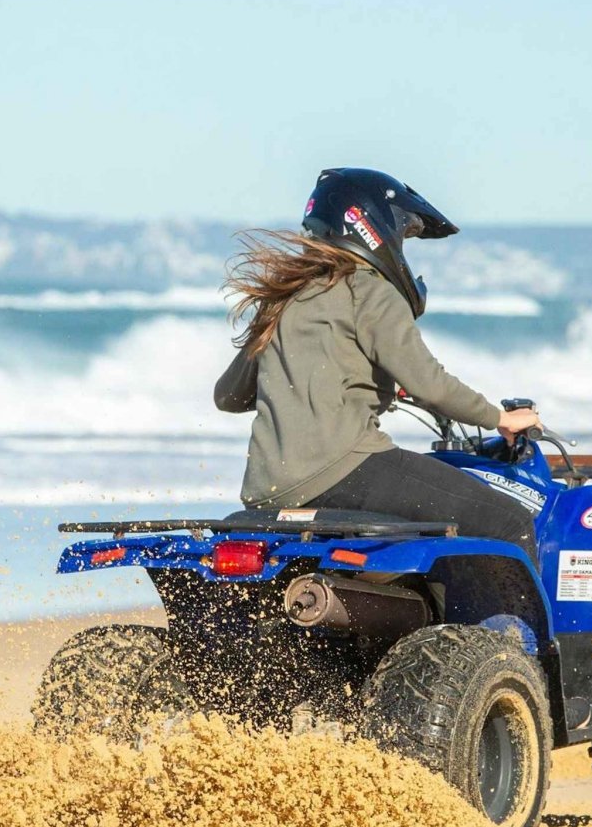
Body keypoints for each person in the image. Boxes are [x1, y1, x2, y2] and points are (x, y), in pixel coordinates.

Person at [213, 167, 541, 558]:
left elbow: (228, 396)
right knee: (510, 523)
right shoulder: (370, 291)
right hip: (343, 468)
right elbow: (431, 385)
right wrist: (501, 419)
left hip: (265, 488)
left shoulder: (282, 298)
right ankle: (507, 623)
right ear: (374, 227)